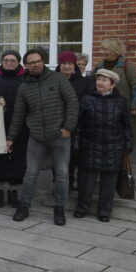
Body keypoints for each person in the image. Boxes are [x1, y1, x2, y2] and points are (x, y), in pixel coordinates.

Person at [8, 48, 78, 226]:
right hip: (37, 137)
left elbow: (72, 102)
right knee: (30, 173)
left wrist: (68, 127)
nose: (37, 65)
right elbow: (18, 115)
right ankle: (24, 206)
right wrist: (11, 138)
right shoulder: (24, 87)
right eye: (32, 62)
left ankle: (59, 208)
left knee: (62, 175)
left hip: (60, 136)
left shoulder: (58, 79)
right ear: (26, 66)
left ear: (43, 62)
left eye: (39, 61)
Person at [74, 69, 132, 222]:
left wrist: (128, 145)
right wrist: (76, 143)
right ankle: (82, 208)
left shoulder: (121, 101)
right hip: (89, 145)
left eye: (104, 80)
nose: (100, 82)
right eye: (98, 79)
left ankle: (104, 211)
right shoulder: (86, 99)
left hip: (113, 147)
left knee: (108, 183)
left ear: (112, 85)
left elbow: (126, 125)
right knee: (86, 182)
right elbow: (78, 124)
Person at [0, 49, 27, 208]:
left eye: (13, 61)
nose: (9, 63)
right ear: (2, 63)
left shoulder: (25, 79)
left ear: (18, 63)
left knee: (17, 161)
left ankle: (13, 194)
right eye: (6, 60)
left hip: (20, 126)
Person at [56, 50, 95, 192]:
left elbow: (90, 102)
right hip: (56, 124)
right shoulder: (53, 79)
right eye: (64, 63)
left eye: (70, 63)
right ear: (59, 65)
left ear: (74, 66)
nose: (67, 66)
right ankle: (59, 184)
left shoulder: (85, 82)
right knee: (58, 157)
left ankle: (71, 182)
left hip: (78, 125)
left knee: (73, 155)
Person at [96, 38, 136, 141]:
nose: (102, 52)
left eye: (105, 49)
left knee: (124, 138)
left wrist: (135, 106)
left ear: (114, 50)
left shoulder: (127, 66)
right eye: (101, 49)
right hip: (103, 108)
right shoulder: (99, 66)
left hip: (124, 109)